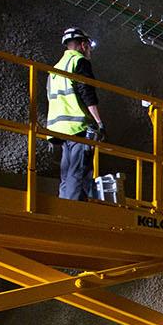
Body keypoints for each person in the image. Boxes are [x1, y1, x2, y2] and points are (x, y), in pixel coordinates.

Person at [46, 26, 105, 200]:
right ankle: (74, 210)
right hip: (78, 126)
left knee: (67, 174)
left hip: (59, 128)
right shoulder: (79, 61)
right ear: (82, 44)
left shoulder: (55, 69)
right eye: (88, 45)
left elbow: (51, 97)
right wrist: (99, 122)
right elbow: (87, 93)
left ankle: (64, 205)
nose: (89, 49)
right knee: (78, 173)